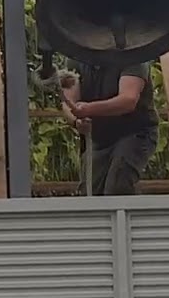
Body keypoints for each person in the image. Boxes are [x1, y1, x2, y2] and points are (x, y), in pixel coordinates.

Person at [60, 60, 159, 196]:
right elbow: (68, 102)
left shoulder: (134, 56)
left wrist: (89, 109)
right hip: (99, 138)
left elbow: (128, 100)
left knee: (118, 185)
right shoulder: (76, 58)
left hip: (134, 133)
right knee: (89, 192)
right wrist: (76, 121)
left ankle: (128, 215)